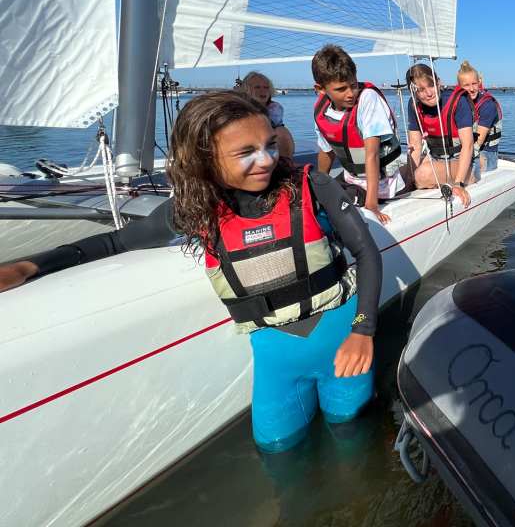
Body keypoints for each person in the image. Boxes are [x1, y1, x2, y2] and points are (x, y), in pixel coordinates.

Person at [0, 92, 383, 453]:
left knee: (351, 438)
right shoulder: (196, 210)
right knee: (277, 451)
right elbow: (116, 242)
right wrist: (30, 265)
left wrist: (363, 330)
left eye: (269, 145)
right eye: (246, 152)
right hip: (276, 360)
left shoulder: (312, 186)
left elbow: (366, 253)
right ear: (205, 158)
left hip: (344, 345)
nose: (266, 160)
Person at [311, 45, 408, 224]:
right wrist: (316, 189)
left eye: (353, 85)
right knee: (311, 202)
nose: (350, 94)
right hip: (351, 180)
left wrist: (372, 205)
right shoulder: (321, 109)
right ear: (320, 89)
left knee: (334, 208)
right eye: (341, 89)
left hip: (382, 187)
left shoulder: (368, 99)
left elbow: (372, 154)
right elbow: (326, 151)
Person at [405, 63, 475, 207]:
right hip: (436, 160)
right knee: (400, 175)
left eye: (431, 85)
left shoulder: (458, 101)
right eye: (421, 90)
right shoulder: (413, 105)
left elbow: (468, 145)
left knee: (422, 175)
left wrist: (458, 183)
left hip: (464, 164)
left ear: (438, 82)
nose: (429, 93)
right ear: (413, 93)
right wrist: (408, 180)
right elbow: (416, 147)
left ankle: (427, 181)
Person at [456, 60, 503, 180]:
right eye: (466, 85)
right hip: (466, 150)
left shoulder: (488, 105)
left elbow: (477, 144)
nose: (472, 89)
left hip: (486, 155)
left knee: (455, 168)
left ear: (479, 83)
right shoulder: (460, 103)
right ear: (459, 86)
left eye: (474, 84)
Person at [239, 71, 295, 159]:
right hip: (244, 143)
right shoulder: (238, 107)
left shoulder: (275, 108)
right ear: (246, 90)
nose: (263, 91)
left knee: (281, 132)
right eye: (257, 87)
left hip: (266, 139)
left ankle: (285, 162)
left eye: (266, 87)